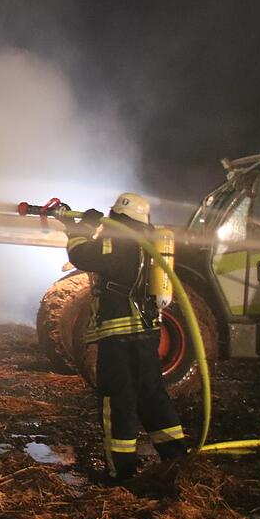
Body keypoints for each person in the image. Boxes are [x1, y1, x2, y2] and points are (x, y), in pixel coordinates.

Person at [64, 193, 187, 481]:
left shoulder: (119, 240)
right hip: (146, 334)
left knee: (118, 400)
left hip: (119, 337)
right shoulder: (149, 241)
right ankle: (176, 457)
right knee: (152, 395)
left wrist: (78, 230)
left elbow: (82, 256)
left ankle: (122, 472)